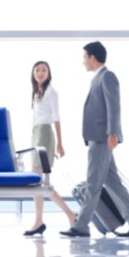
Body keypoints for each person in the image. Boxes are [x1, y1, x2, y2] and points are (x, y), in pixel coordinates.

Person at [61, 42, 129, 238]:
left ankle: (81, 226)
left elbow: (114, 107)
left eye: (84, 57)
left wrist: (113, 133)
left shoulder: (107, 76)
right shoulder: (97, 78)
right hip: (97, 138)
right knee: (114, 184)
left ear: (92, 57)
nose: (83, 61)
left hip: (102, 139)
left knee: (93, 184)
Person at [23, 61, 77, 236]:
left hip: (45, 134)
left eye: (44, 70)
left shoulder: (51, 92)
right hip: (36, 134)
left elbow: (56, 118)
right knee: (39, 183)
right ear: (33, 72)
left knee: (38, 181)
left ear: (48, 74)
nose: (40, 73)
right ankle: (65, 215)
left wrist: (60, 143)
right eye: (37, 70)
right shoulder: (38, 92)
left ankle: (44, 220)